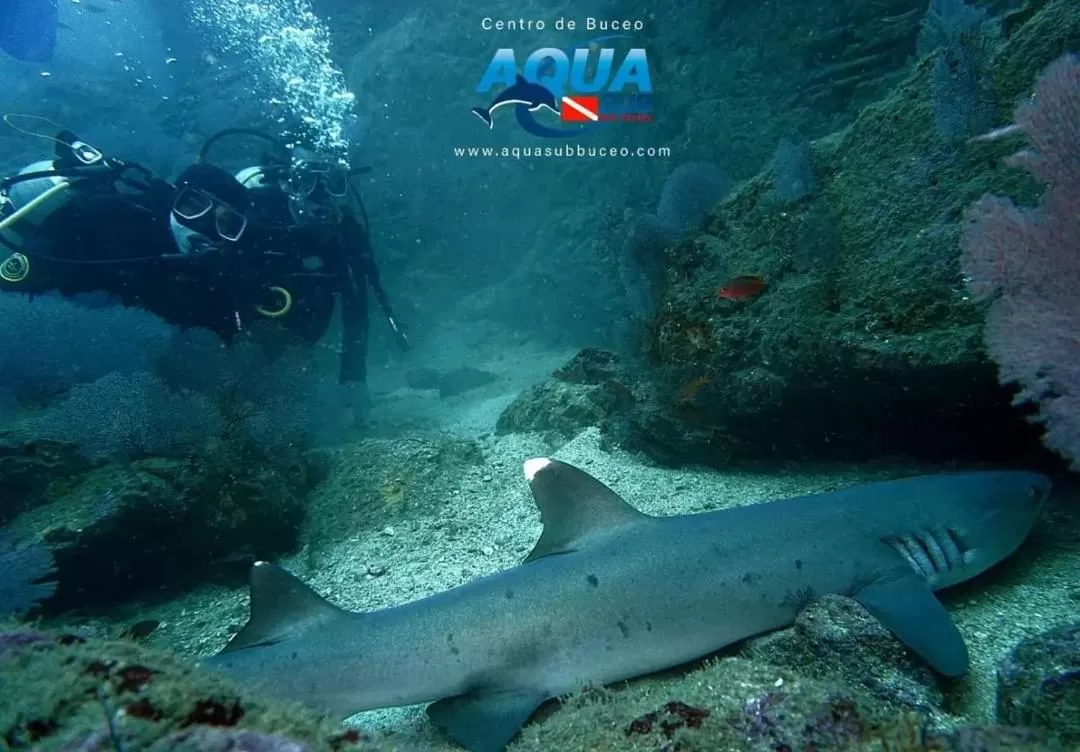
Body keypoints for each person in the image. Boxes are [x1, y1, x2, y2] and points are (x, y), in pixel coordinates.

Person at [0, 123, 406, 416]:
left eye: (225, 225)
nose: (201, 231)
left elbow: (240, 322)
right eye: (190, 208)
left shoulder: (240, 248)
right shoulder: (114, 223)